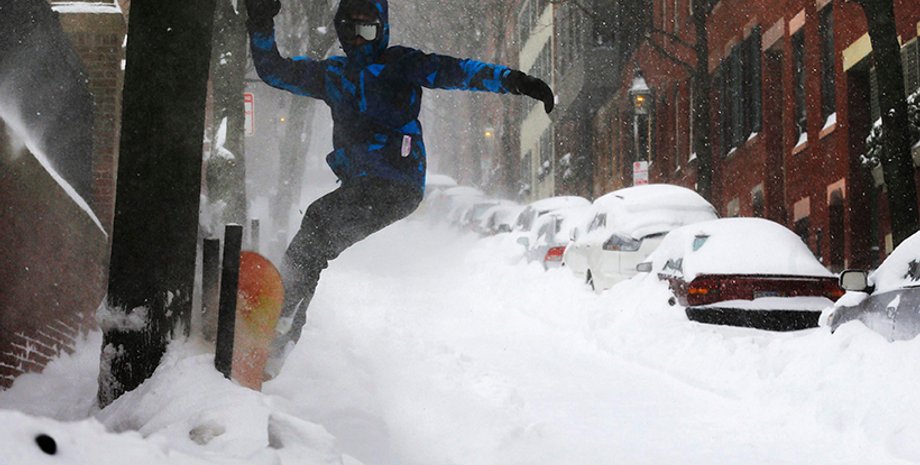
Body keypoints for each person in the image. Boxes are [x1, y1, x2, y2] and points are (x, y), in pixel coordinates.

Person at [245, 0, 555, 376]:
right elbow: (273, 71)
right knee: (315, 238)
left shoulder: (400, 65)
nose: (359, 40)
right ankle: (278, 323)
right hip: (363, 184)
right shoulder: (333, 75)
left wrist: (518, 82)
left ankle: (278, 330)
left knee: (318, 224)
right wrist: (261, 22)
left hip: (397, 182)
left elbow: (461, 72)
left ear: (382, 31)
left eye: (368, 31)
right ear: (340, 30)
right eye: (351, 31)